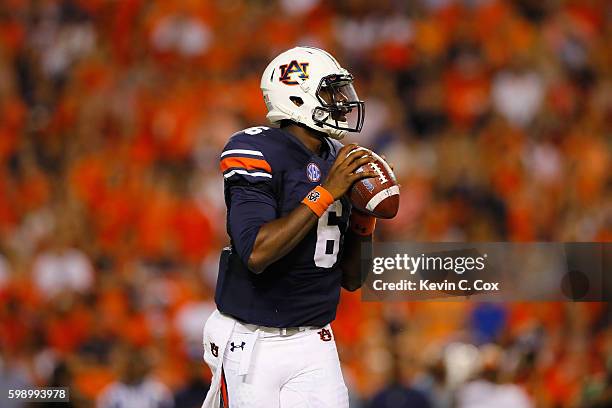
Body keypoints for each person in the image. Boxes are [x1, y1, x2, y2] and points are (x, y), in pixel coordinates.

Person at [201, 46, 377, 408]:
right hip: (252, 341)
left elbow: (353, 279)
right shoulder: (255, 148)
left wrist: (366, 216)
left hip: (315, 339)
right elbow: (257, 252)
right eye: (330, 92)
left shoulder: (336, 156)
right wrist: (327, 192)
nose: (342, 102)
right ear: (296, 96)